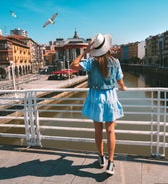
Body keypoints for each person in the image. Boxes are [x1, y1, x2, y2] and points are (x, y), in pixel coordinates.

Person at [70, 33, 126, 175]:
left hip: (95, 98)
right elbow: (120, 82)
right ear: (107, 47)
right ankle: (111, 163)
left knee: (98, 131)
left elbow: (73, 65)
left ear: (95, 49)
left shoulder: (91, 62)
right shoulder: (115, 62)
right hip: (110, 98)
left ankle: (101, 158)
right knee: (110, 131)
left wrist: (85, 51)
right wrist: (123, 88)